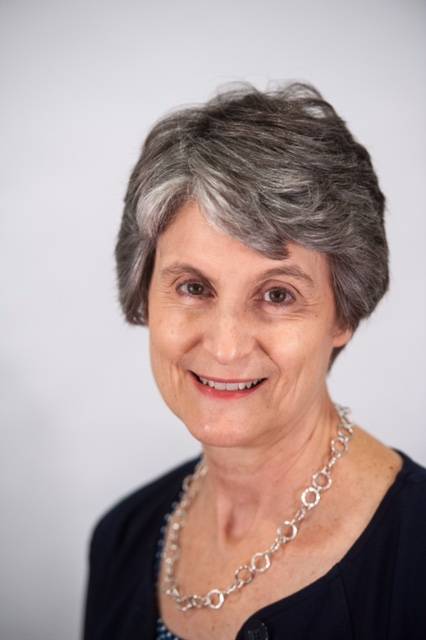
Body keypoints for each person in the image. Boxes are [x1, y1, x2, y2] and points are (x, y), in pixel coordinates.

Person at [82, 82, 426, 640]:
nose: (226, 346)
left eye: (278, 295)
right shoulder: (122, 539)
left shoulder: (415, 558)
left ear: (344, 316)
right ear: (145, 291)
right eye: (193, 287)